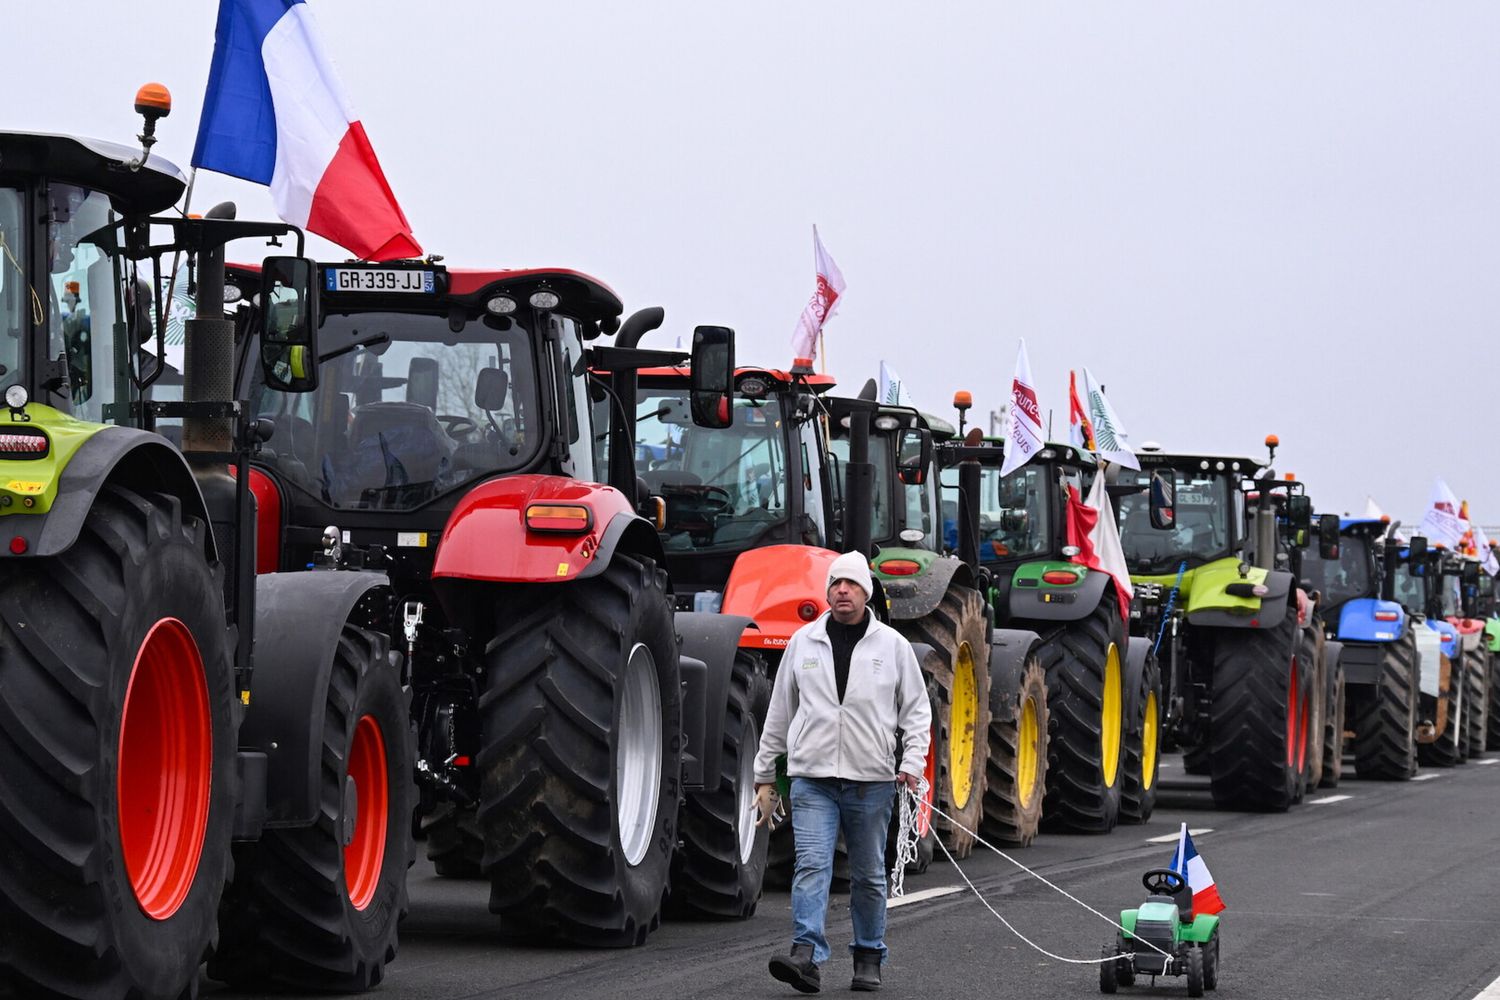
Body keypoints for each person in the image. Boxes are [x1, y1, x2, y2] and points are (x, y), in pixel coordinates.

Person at [753, 551, 931, 994]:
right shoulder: (803, 642)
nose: (842, 591)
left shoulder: (893, 646)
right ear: (827, 591)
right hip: (812, 779)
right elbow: (780, 713)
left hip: (871, 782)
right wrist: (765, 775)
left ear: (866, 592)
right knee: (812, 865)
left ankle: (868, 956)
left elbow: (916, 711)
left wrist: (912, 763)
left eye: (851, 584)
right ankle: (805, 955)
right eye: (835, 584)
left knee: (868, 874)